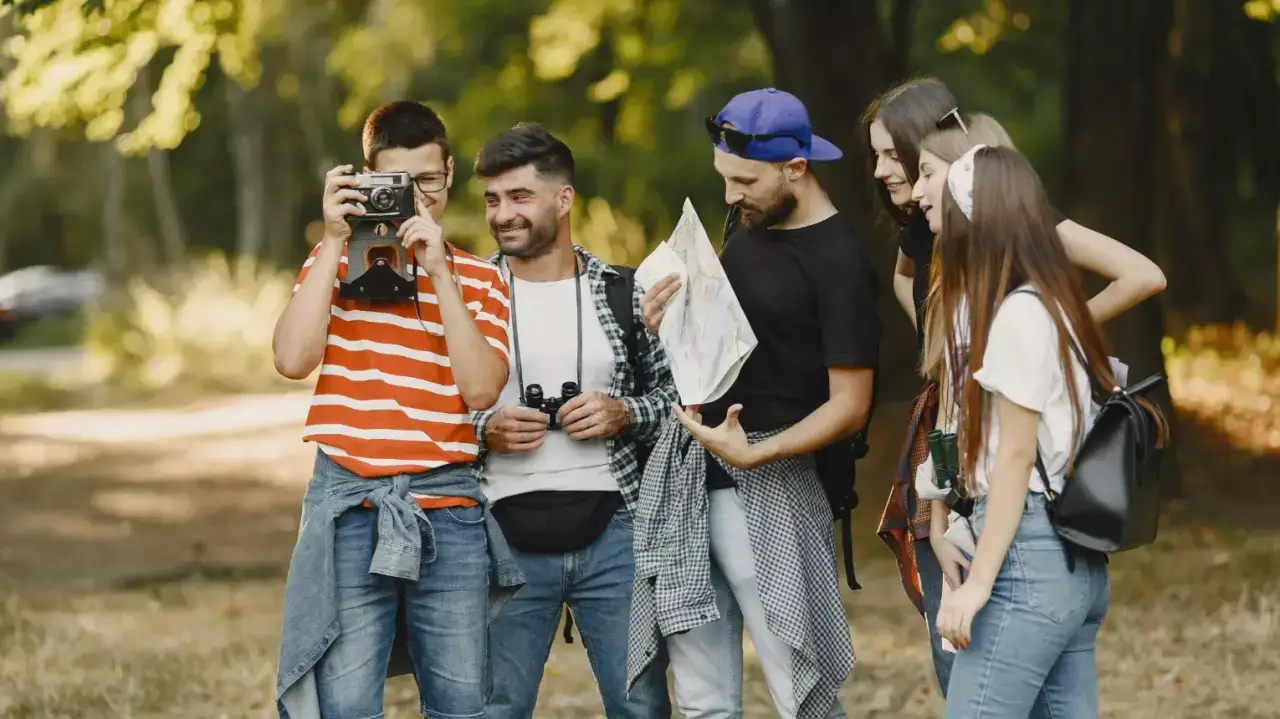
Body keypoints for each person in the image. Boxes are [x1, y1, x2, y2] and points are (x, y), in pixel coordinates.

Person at [861, 77, 1167, 696]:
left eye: (914, 167)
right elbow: (963, 430)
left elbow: (1016, 459)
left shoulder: (1023, 317)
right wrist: (942, 517)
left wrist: (975, 585)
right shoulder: (978, 298)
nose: (907, 187)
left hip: (1027, 548)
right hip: (1047, 553)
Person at [630, 88, 880, 719]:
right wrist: (669, 322)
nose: (729, 196)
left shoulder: (840, 260)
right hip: (691, 481)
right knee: (701, 697)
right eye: (723, 178)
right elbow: (735, 347)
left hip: (774, 488)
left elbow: (850, 405)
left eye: (744, 180)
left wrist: (755, 453)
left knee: (801, 691)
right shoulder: (747, 226)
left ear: (796, 167)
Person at [271, 100, 525, 719]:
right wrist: (333, 240)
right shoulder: (331, 263)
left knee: (462, 702)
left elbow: (482, 391)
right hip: (350, 504)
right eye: (394, 185)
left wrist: (441, 273)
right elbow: (291, 358)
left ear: (451, 173)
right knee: (347, 702)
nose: (415, 200)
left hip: (451, 508)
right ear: (363, 182)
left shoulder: (479, 278)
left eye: (428, 183)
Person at [469, 122, 676, 719]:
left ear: (563, 200)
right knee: (494, 708)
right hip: (499, 533)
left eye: (519, 197)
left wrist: (622, 412)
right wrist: (486, 428)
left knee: (641, 706)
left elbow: (678, 401)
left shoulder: (626, 292)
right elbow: (429, 410)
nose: (502, 214)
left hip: (616, 528)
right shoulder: (468, 294)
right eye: (492, 200)